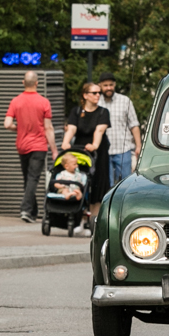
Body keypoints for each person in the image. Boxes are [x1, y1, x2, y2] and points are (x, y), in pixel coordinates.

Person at [62, 81, 111, 235]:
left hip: (98, 153)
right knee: (80, 183)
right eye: (94, 93)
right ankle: (80, 221)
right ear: (85, 95)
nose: (98, 95)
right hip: (80, 152)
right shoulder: (76, 112)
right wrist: (65, 142)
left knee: (97, 185)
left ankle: (94, 222)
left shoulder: (103, 112)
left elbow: (100, 130)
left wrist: (95, 144)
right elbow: (72, 128)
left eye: (99, 93)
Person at [6, 71, 55, 223]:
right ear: (37, 83)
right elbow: (48, 128)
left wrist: (18, 128)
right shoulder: (44, 102)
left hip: (22, 145)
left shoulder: (15, 101)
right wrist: (54, 150)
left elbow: (7, 124)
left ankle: (33, 211)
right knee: (33, 178)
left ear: (23, 83)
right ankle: (26, 209)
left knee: (27, 178)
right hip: (39, 145)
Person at [97, 75, 142, 189]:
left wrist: (139, 145)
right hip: (103, 150)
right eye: (105, 85)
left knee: (125, 184)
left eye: (111, 85)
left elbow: (134, 125)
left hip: (123, 149)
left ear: (115, 85)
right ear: (100, 86)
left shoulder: (125, 100)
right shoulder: (96, 102)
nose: (109, 88)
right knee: (107, 185)